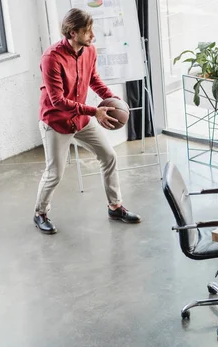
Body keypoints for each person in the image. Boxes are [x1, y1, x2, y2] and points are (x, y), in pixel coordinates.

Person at [34, 8, 141, 234]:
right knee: (55, 173)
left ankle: (115, 206)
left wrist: (113, 100)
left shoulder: (89, 51)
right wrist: (95, 111)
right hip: (57, 121)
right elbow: (58, 101)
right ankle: (40, 213)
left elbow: (94, 79)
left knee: (108, 156)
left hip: (81, 118)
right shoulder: (51, 58)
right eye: (88, 31)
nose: (93, 36)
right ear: (73, 33)